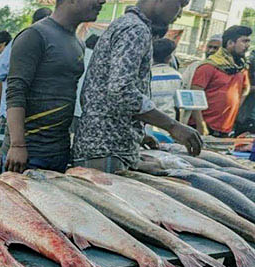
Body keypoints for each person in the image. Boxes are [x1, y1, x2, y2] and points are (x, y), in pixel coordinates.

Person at [73, 0, 202, 173]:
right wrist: (173, 126)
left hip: (105, 146)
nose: (179, 14)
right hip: (107, 150)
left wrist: (136, 132)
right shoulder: (136, 30)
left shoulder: (127, 24)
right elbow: (121, 91)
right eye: (180, 6)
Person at [3, 0, 105, 174]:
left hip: (58, 152)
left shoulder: (78, 43)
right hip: (28, 153)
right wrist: (17, 144)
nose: (102, 2)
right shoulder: (35, 35)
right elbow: (15, 91)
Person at [190, 26, 251, 137]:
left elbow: (246, 89)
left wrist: (234, 109)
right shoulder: (209, 66)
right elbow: (195, 95)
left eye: (248, 41)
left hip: (225, 129)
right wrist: (201, 124)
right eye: (244, 41)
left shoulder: (241, 67)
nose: (247, 46)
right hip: (204, 128)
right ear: (230, 43)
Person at [150, 38, 182, 120]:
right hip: (169, 122)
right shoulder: (178, 77)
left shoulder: (147, 76)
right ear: (169, 57)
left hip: (148, 121)